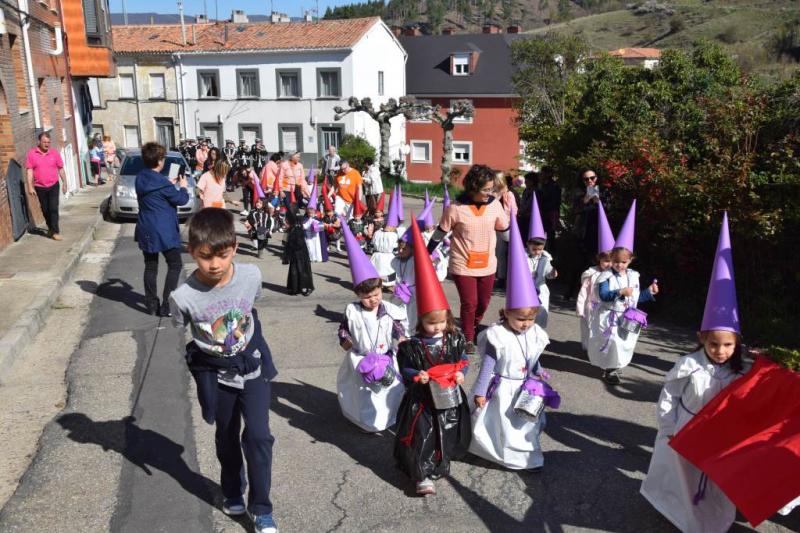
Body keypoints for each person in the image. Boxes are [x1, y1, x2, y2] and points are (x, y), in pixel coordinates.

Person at [168, 208, 278, 533]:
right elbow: (180, 326)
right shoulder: (182, 297)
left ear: (235, 248)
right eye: (205, 257)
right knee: (227, 437)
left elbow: (251, 307)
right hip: (216, 376)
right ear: (191, 252)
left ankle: (262, 509)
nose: (215, 264)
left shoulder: (251, 276)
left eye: (223, 255)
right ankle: (232, 490)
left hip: (252, 367)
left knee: (259, 436)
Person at [641, 213, 749, 533]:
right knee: (683, 475)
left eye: (728, 345)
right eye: (714, 344)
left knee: (715, 479)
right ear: (702, 338)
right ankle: (681, 512)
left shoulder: (739, 371)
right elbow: (669, 396)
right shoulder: (688, 366)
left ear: (737, 343)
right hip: (685, 428)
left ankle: (712, 516)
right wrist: (668, 426)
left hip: (719, 436)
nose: (720, 351)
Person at [470, 214, 558, 471]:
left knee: (524, 424)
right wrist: (479, 391)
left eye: (530, 319)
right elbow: (488, 365)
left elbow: (532, 355)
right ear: (506, 312)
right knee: (502, 423)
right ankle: (499, 453)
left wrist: (538, 370)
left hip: (525, 387)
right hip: (503, 388)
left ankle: (526, 457)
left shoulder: (534, 333)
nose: (526, 324)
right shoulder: (498, 335)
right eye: (520, 319)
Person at [394, 217, 471, 496]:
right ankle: (422, 474)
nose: (437, 327)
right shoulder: (412, 345)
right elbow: (404, 368)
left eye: (441, 322)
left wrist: (463, 371)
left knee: (446, 431)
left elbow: (462, 359)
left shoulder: (454, 339)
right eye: (430, 323)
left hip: (449, 394)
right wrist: (417, 375)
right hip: (423, 399)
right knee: (423, 435)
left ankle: (440, 463)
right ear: (420, 323)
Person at [425, 164, 511, 352]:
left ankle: (472, 325)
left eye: (492, 189)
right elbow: (441, 232)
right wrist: (426, 252)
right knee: (469, 303)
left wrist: (519, 251)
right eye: (486, 189)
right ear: (473, 187)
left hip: (488, 265)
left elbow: (505, 232)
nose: (490, 193)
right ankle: (468, 338)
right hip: (462, 264)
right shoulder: (456, 208)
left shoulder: (495, 205)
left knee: (483, 303)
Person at [336, 221, 407, 432]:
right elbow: (343, 330)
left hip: (385, 356)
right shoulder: (352, 311)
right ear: (358, 295)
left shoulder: (386, 309)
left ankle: (388, 418)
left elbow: (397, 326)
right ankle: (366, 422)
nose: (373, 300)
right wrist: (347, 344)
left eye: (376, 294)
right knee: (363, 392)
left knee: (389, 390)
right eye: (367, 297)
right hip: (361, 358)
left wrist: (401, 338)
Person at [586, 200, 659, 384]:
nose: (619, 265)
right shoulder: (606, 276)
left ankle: (614, 367)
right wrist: (619, 292)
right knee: (612, 343)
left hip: (626, 317)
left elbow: (635, 297)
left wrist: (648, 292)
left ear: (630, 260)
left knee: (624, 344)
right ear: (611, 259)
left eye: (623, 262)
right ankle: (610, 370)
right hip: (608, 316)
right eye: (616, 261)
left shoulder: (633, 276)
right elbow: (603, 295)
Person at [133, 142, 189, 316]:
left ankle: (151, 305)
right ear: (159, 161)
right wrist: (183, 186)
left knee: (150, 266)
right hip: (164, 230)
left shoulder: (140, 178)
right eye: (163, 158)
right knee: (175, 264)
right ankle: (166, 305)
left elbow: (158, 190)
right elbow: (181, 199)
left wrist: (168, 184)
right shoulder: (163, 184)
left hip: (146, 227)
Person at [576, 201, 616, 350]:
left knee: (603, 328)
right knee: (587, 327)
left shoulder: (615, 274)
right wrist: (580, 308)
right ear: (598, 259)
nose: (609, 264)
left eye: (612, 261)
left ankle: (600, 348)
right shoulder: (591, 273)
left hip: (606, 307)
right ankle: (587, 347)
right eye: (606, 261)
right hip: (591, 306)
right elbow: (583, 292)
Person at [25, 132, 68, 240]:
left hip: (54, 185)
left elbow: (61, 169)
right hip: (40, 187)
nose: (47, 144)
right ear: (39, 142)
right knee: (45, 209)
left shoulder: (54, 153)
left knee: (53, 208)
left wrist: (65, 183)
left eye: (48, 142)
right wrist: (30, 186)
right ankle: (50, 228)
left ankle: (55, 232)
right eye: (44, 142)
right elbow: (29, 171)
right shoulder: (32, 154)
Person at [526, 192, 558, 330]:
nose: (537, 252)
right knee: (525, 313)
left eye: (540, 249)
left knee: (541, 313)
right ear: (528, 244)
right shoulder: (522, 256)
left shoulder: (545, 257)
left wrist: (552, 273)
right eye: (534, 249)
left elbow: (548, 271)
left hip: (541, 288)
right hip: (526, 289)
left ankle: (539, 334)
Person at [493, 172, 518, 288]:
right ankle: (498, 275)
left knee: (502, 253)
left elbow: (513, 211)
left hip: (505, 226)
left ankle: (503, 278)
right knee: (497, 253)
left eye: (496, 180)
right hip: (493, 226)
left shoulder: (509, 194)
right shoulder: (493, 193)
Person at [282, 207, 314, 296]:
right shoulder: (292, 229)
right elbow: (287, 243)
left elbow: (297, 243)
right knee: (294, 271)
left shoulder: (297, 228)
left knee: (302, 271)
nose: (285, 223)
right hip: (295, 254)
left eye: (287, 221)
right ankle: (295, 288)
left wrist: (285, 199)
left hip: (300, 254)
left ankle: (305, 287)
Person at [369, 192, 399, 287]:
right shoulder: (393, 235)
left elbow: (372, 244)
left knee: (376, 271)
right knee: (390, 271)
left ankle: (378, 284)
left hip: (376, 256)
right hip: (388, 257)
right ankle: (387, 284)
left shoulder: (377, 232)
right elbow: (395, 248)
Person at [390, 239, 415, 336]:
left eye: (404, 249)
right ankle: (400, 331)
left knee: (411, 313)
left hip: (413, 292)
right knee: (398, 311)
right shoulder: (395, 261)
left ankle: (410, 333)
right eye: (399, 248)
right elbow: (393, 274)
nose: (400, 251)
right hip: (400, 291)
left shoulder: (414, 261)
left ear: (411, 249)